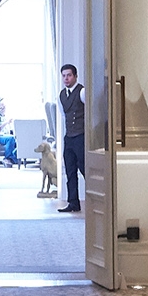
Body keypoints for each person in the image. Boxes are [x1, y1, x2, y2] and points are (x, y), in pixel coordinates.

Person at [57, 64, 85, 212]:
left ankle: (98, 201)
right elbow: (64, 115)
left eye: (69, 75)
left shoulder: (82, 92)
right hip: (69, 137)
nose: (66, 78)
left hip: (81, 136)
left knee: (85, 169)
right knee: (70, 171)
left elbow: (91, 112)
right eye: (64, 76)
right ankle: (73, 203)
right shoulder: (61, 95)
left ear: (75, 76)